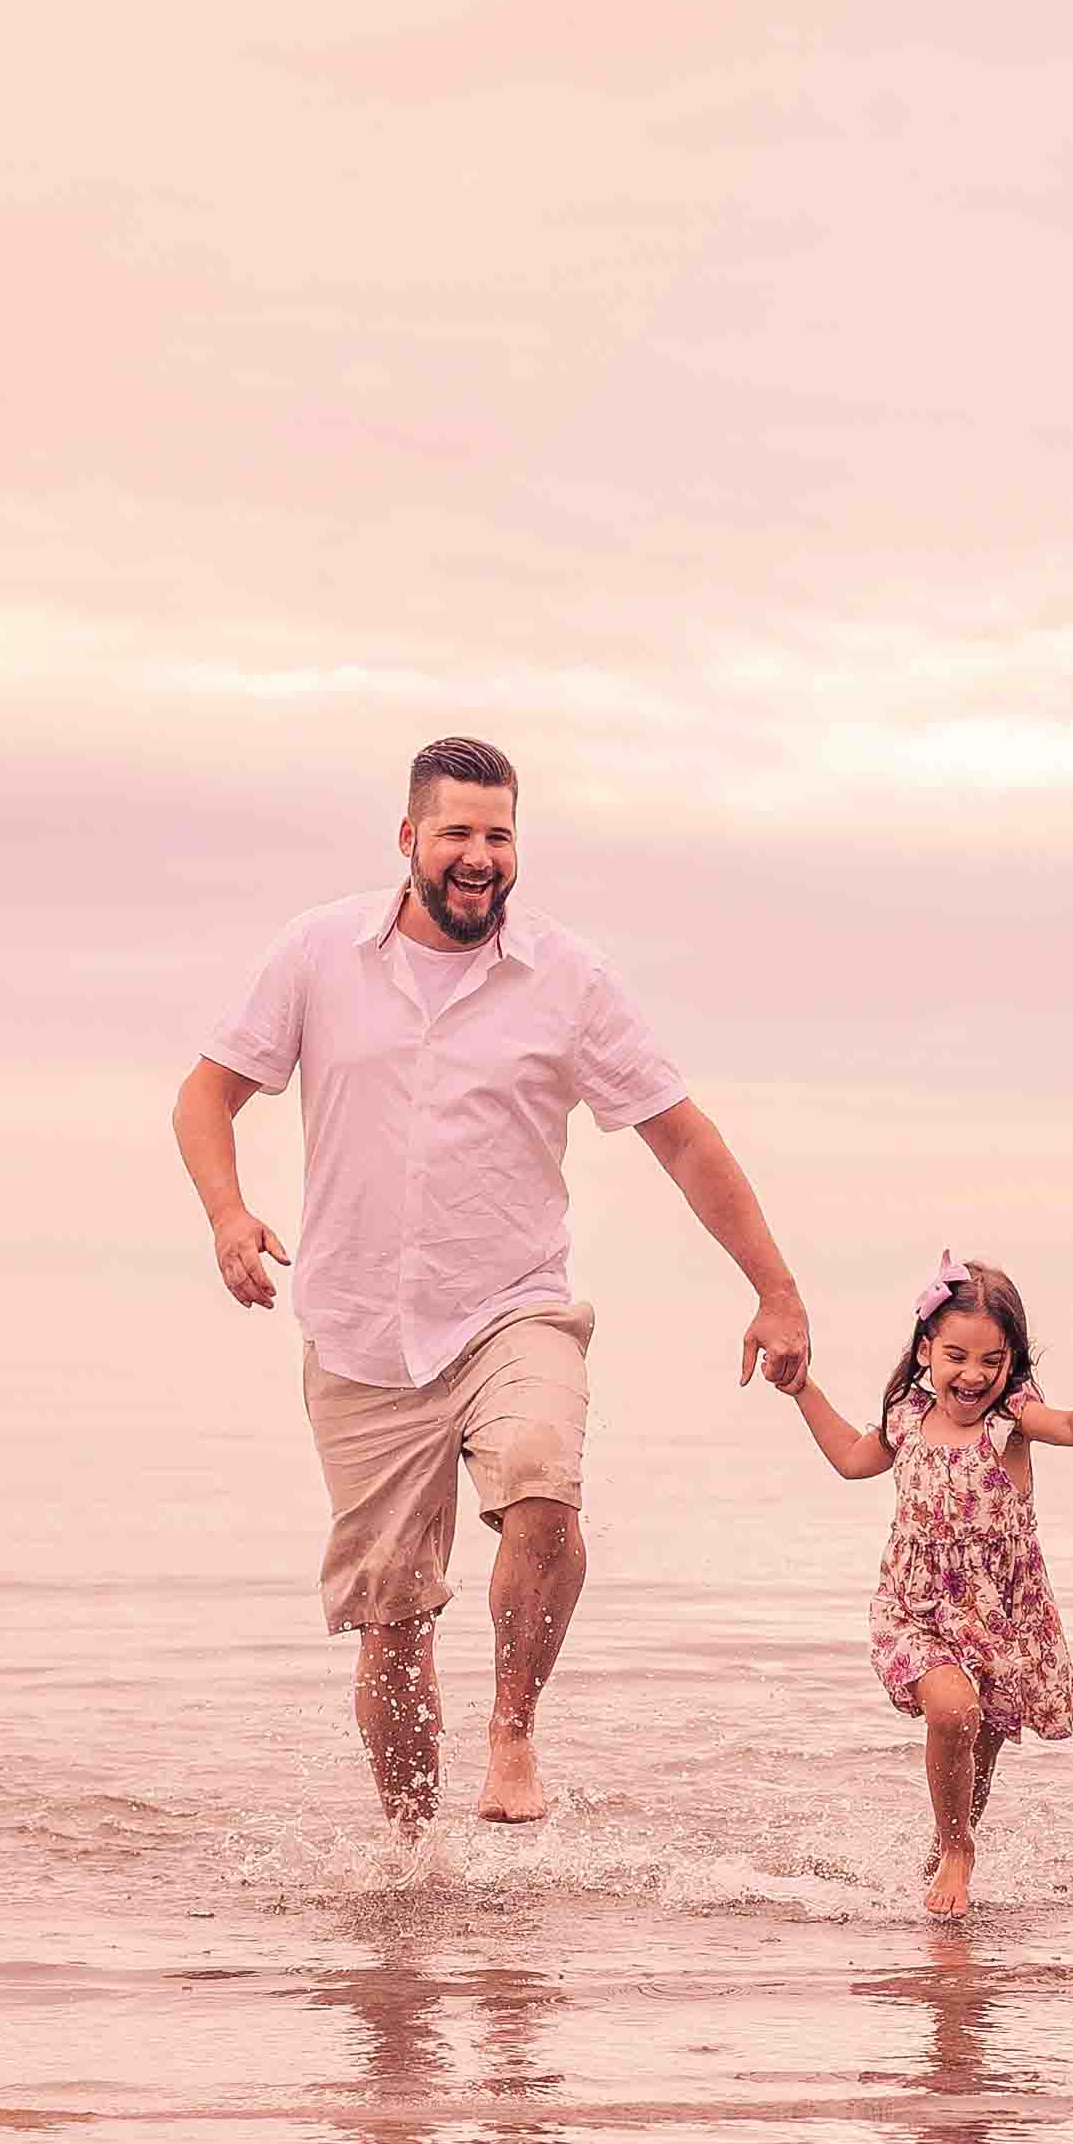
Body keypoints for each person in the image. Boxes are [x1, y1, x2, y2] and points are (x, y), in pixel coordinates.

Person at [173, 734, 812, 1829]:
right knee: (392, 1621)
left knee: (540, 1479)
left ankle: (511, 1729)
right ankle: (414, 1861)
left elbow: (684, 1139)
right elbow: (205, 1096)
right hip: (361, 1331)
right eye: (459, 832)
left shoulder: (569, 978)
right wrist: (228, 1215)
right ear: (410, 837)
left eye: (500, 834)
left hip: (513, 1305)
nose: (480, 856)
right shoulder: (317, 953)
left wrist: (776, 1290)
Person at [766, 1254, 1073, 1917]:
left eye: (992, 1359)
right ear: (926, 1349)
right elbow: (850, 1457)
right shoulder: (906, 1414)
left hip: (998, 1618)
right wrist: (801, 1389)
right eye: (956, 1355)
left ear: (1011, 1361)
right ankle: (959, 1851)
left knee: (976, 1755)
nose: (974, 1374)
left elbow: (1066, 1426)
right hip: (916, 1611)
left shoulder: (1016, 1413)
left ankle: (944, 1845)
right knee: (952, 1712)